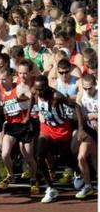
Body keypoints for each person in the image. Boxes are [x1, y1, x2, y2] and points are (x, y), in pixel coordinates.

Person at [33, 75, 85, 203]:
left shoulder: (56, 96)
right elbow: (31, 100)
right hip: (46, 128)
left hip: (61, 129)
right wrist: (31, 112)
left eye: (41, 90)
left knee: (65, 157)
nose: (38, 92)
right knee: (39, 156)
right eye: (37, 90)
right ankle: (51, 188)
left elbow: (77, 107)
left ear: (46, 86)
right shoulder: (35, 92)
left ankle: (77, 171)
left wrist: (80, 128)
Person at [0, 68, 38, 194]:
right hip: (11, 126)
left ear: (11, 78)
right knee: (4, 153)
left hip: (25, 125)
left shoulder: (20, 88)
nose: (1, 82)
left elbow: (33, 98)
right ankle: (10, 175)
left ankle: (34, 179)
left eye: (4, 79)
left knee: (28, 155)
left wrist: (27, 115)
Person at [75, 74, 97, 198]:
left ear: (95, 85)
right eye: (85, 88)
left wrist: (96, 115)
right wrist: (80, 128)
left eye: (90, 88)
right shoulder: (81, 95)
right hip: (89, 130)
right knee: (81, 157)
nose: (88, 91)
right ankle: (88, 186)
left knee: (96, 159)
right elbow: (77, 107)